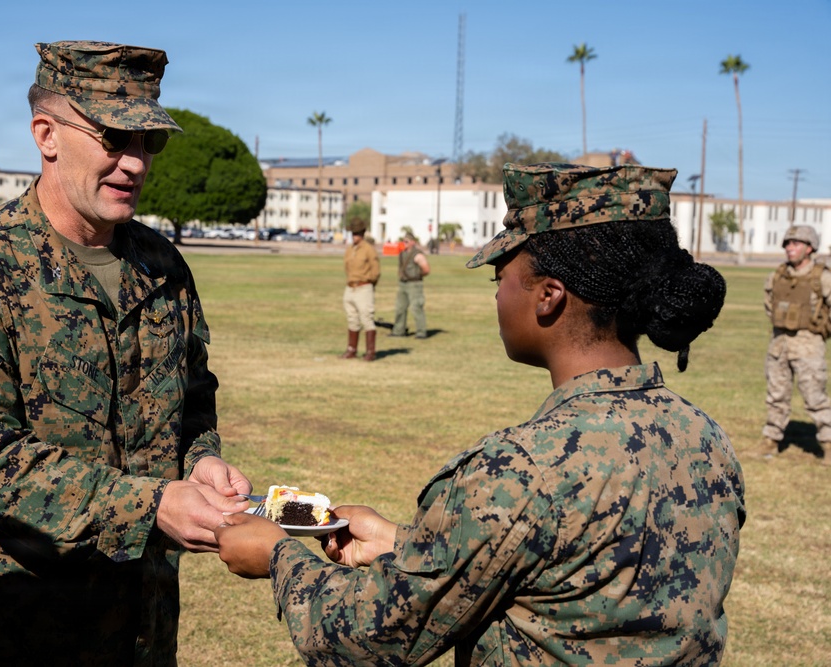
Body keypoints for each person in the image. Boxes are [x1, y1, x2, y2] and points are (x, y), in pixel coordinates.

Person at [215, 163, 746, 666]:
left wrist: (278, 557)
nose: (497, 297)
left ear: (548, 296)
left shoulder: (522, 468)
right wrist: (404, 544)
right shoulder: (704, 437)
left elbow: (367, 638)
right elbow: (564, 572)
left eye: (500, 278)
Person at [0, 40, 252, 665]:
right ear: (47, 135)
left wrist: (200, 460)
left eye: (149, 141)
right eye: (113, 138)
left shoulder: (161, 264)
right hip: (10, 628)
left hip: (139, 623)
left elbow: (194, 396)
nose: (135, 163)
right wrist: (150, 504)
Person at [759, 224, 831, 464]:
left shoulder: (822, 277)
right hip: (779, 343)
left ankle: (829, 443)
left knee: (815, 396)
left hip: (808, 344)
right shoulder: (778, 275)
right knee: (776, 395)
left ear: (810, 248)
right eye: (787, 244)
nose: (790, 248)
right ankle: (771, 440)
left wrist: (821, 329)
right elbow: (769, 303)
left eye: (796, 243)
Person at [341, 219, 381, 361]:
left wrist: (369, 284)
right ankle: (351, 349)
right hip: (350, 287)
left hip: (364, 286)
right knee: (352, 319)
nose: (354, 236)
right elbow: (347, 267)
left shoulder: (368, 249)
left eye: (357, 233)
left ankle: (370, 352)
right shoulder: (350, 249)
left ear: (362, 234)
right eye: (353, 233)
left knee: (366, 319)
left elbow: (375, 271)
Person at [390, 231, 431, 339]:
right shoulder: (402, 253)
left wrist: (417, 275)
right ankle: (399, 331)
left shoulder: (418, 255)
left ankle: (421, 332)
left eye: (407, 241)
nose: (405, 243)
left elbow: (426, 269)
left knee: (416, 307)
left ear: (413, 242)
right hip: (403, 284)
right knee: (400, 308)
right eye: (404, 241)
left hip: (414, 284)